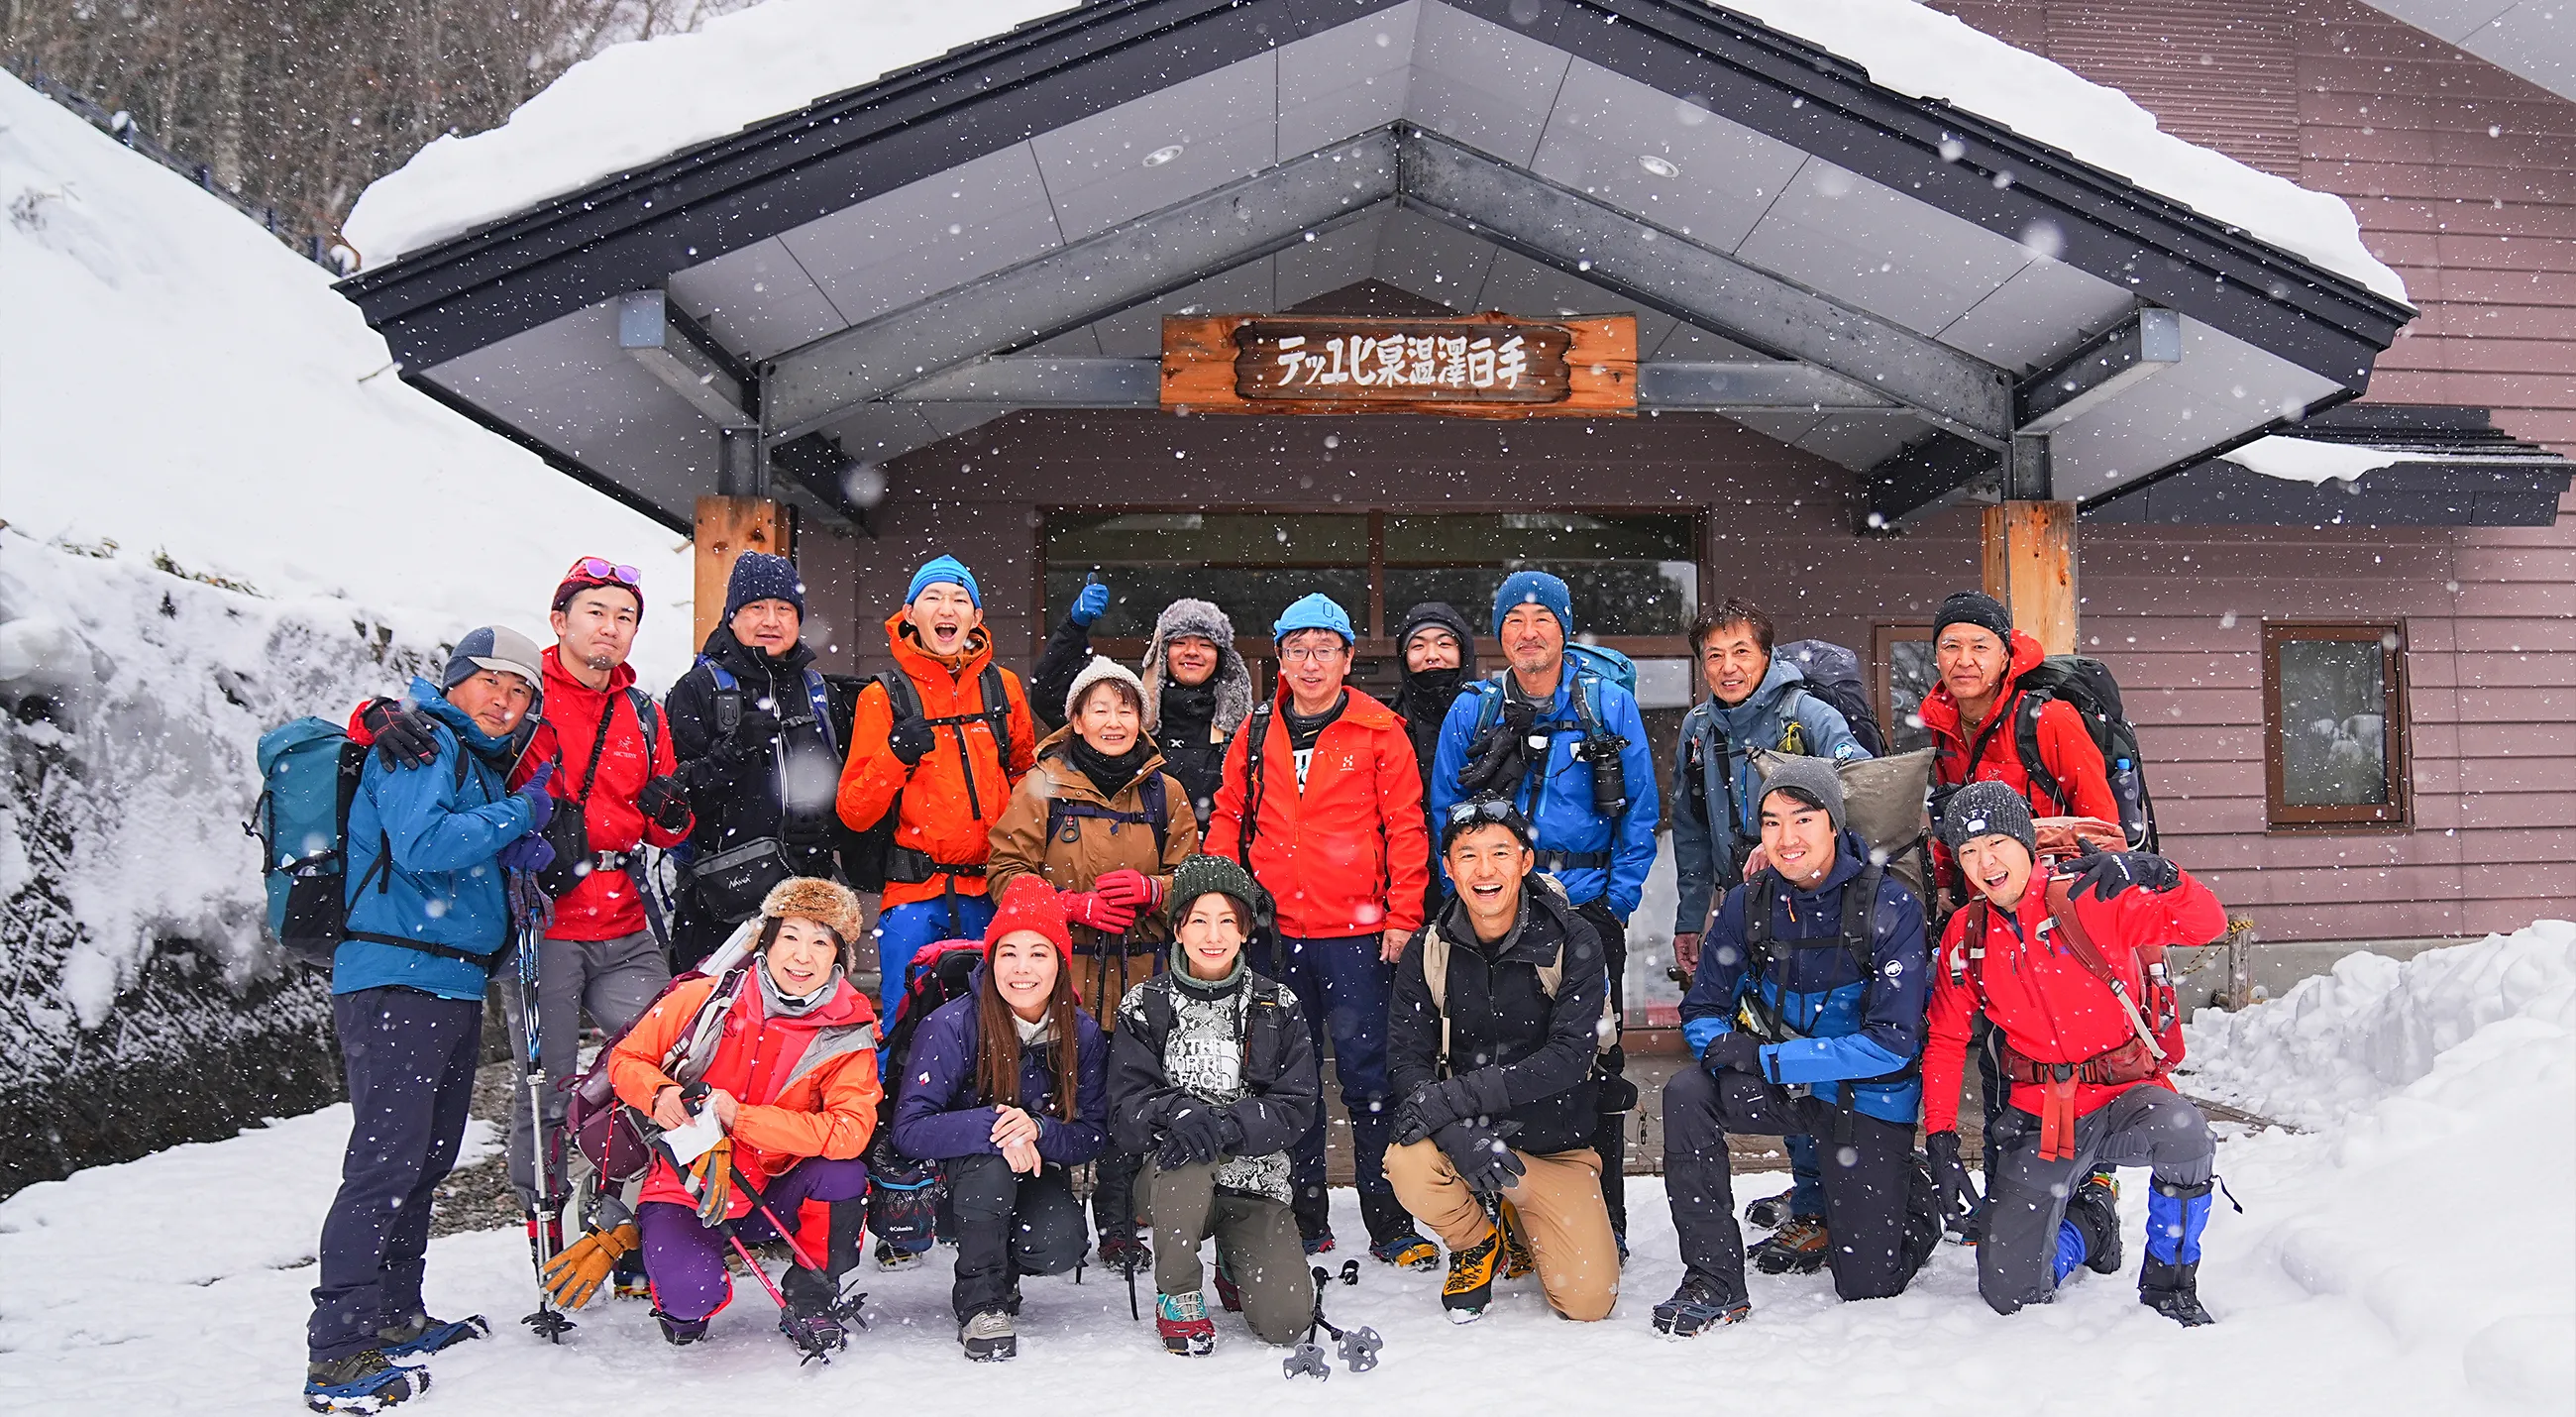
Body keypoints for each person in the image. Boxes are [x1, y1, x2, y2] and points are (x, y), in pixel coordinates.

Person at [346, 558, 695, 1254]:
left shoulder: (644, 713)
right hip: (544, 923)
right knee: (550, 1087)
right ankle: (548, 1228)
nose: (611, 628)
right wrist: (374, 718)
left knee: (667, 1067)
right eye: (596, 612)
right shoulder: (519, 687)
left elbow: (663, 825)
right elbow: (442, 728)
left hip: (626, 920)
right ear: (560, 620)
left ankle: (627, 1218)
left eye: (625, 617)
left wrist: (672, 813)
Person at [303, 628, 553, 1413]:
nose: (506, 703)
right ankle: (338, 1351)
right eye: (492, 684)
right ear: (455, 683)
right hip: (394, 981)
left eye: (520, 693)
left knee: (425, 1156)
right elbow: (424, 845)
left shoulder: (468, 758)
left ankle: (395, 1312)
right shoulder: (422, 744)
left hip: (445, 983)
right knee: (385, 1162)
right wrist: (519, 815)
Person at [1924, 783, 2228, 1325]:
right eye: (1968, 851)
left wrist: (2164, 876)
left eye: (1996, 842)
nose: (1985, 862)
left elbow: (2207, 926)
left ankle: (2169, 1283)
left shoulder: (2090, 896)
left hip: (2125, 1095)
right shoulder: (1967, 933)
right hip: (2043, 1114)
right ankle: (2090, 1224)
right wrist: (1943, 1136)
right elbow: (1946, 1038)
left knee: (2186, 1140)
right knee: (2010, 1292)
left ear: (2025, 840)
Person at [1657, 758, 1931, 1337]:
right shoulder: (1746, 905)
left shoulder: (1890, 906)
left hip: (1865, 1100)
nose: (1787, 838)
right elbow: (1702, 1008)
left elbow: (1894, 1043)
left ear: (1834, 823)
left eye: (1803, 819)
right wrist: (1719, 1050)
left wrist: (1768, 1060)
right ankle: (1713, 1279)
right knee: (1687, 1093)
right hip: (1784, 1088)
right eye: (1772, 821)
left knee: (1866, 1285)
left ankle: (1911, 1192)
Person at [1427, 571, 1658, 1247]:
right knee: (1491, 1055)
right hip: (1496, 910)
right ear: (1499, 634)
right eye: (1514, 620)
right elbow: (1444, 810)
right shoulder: (1474, 709)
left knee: (1595, 1060)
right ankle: (1501, 1216)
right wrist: (1464, 900)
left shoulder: (1607, 706)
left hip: (1587, 906)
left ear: (1563, 628)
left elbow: (1640, 813)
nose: (1529, 633)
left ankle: (1601, 1216)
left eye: (1542, 619)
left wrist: (1617, 902)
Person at [1205, 593, 1436, 1265]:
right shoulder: (1252, 732)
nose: (1311, 663)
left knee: (1369, 1082)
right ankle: (1305, 1219)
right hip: (1276, 938)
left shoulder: (1379, 728)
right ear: (1279, 657)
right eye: (1298, 649)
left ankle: (1390, 1224)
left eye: (1325, 649)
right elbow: (1227, 818)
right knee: (1285, 1083)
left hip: (1358, 940)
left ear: (1347, 658)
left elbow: (1407, 828)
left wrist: (1403, 916)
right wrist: (1221, 896)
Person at [1669, 598, 1871, 1276]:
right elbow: (1693, 832)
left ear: (1767, 655)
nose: (1728, 668)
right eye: (1715, 656)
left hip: (1815, 911)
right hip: (1744, 909)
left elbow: (1861, 787)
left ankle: (1827, 1200)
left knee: (1808, 1038)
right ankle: (1812, 1186)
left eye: (1742, 653)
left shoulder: (1807, 715)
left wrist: (1788, 847)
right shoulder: (1699, 729)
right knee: (1768, 1034)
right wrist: (1690, 918)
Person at [600, 878, 879, 1352]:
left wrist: (741, 1118)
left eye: (819, 941)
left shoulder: (848, 1029)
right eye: (789, 937)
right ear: (766, 943)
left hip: (774, 1188)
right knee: (689, 1306)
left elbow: (850, 1132)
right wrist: (659, 1093)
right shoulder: (707, 998)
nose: (801, 956)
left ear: (839, 956)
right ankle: (671, 1268)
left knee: (844, 1175)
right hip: (688, 1183)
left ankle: (812, 1297)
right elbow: (626, 1060)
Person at [986, 655, 1200, 1272]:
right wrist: (1070, 907)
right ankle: (1043, 1216)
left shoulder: (1166, 790)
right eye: (1099, 709)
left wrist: (1154, 892)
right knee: (1054, 1087)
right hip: (1057, 975)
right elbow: (1004, 873)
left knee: (1128, 1094)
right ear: (1075, 719)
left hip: (1142, 971)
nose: (1114, 721)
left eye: (1126, 708)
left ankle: (1117, 1222)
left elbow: (1194, 879)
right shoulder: (1041, 783)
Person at [1385, 796, 1620, 1324]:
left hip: (1554, 1147)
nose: (1485, 870)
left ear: (1525, 861)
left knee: (1587, 1301)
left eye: (1500, 852)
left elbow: (1567, 1057)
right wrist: (1458, 1134)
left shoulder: (1574, 939)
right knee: (1407, 1162)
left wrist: (1454, 1101)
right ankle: (1475, 1241)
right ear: (1447, 868)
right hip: (1467, 1138)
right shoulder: (1429, 948)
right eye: (1467, 855)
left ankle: (1519, 1214)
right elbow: (1407, 1061)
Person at [1107, 855, 1322, 1355]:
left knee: (1287, 1323)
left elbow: (1296, 1108)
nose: (1213, 934)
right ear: (1178, 928)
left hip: (1254, 1183)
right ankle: (1178, 1294)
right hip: (1171, 1184)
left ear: (1246, 931)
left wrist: (1225, 1125)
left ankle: (1234, 1264)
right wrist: (1176, 1114)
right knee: (1188, 1158)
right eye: (1199, 919)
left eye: (1228, 921)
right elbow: (1125, 1109)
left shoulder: (1278, 1005)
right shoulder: (1145, 1004)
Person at [891, 876, 1110, 1362]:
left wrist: (1037, 1129)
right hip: (955, 1184)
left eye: (1039, 953)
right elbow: (908, 1130)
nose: (1022, 968)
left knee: (1059, 1243)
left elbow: (1094, 1134)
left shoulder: (1083, 1034)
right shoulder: (951, 1024)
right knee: (989, 1171)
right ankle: (980, 1302)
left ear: (1060, 962)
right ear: (990, 960)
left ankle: (1001, 1266)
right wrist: (996, 1126)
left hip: (1031, 1173)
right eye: (1008, 953)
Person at [836, 554, 1038, 1015]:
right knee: (905, 1024)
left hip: (994, 890)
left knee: (997, 1024)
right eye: (933, 597)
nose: (947, 608)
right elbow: (853, 810)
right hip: (914, 896)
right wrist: (895, 755)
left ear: (976, 617)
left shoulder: (1003, 688)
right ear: (910, 614)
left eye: (959, 599)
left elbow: (1029, 781)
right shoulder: (882, 695)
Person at [664, 552, 859, 970]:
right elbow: (675, 799)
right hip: (721, 902)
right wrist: (734, 751)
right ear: (732, 616)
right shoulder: (698, 688)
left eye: (784, 609)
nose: (771, 620)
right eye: (757, 607)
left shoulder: (817, 689)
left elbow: (848, 787)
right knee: (714, 1023)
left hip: (809, 896)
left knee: (802, 1026)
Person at [1032, 589, 1254, 830]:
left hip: (1217, 856)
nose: (1192, 652)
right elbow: (1049, 697)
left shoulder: (1245, 728)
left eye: (1205, 644)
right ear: (1161, 653)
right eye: (1179, 642)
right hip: (1141, 856)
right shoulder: (1129, 712)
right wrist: (1073, 628)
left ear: (1221, 656)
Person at [1390, 601, 1477, 914]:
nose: (1431, 655)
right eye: (1418, 646)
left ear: (1463, 652)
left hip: (1482, 881)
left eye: (1445, 643)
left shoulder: (1489, 716)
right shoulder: (1389, 725)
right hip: (1406, 886)